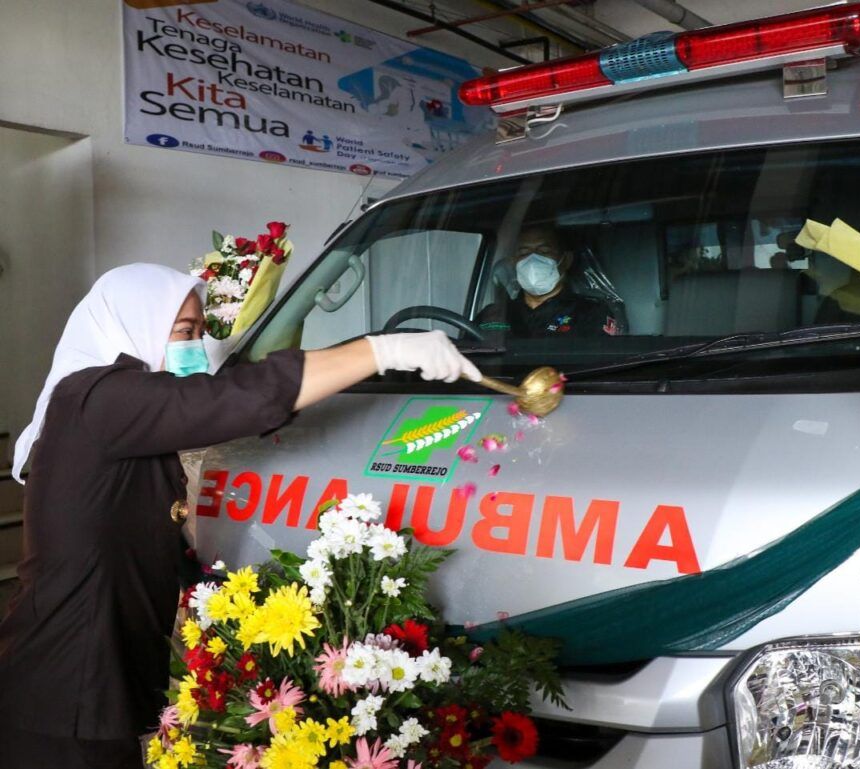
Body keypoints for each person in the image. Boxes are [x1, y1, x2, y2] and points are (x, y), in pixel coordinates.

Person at [0, 263, 480, 768]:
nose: (196, 346)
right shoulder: (99, 398)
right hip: (63, 688)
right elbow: (233, 400)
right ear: (131, 323)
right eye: (184, 332)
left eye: (202, 332)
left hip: (85, 683)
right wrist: (382, 351)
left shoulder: (118, 409)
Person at [478, 225, 621, 337]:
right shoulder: (492, 315)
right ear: (514, 262)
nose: (533, 259)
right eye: (524, 253)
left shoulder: (591, 312)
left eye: (544, 251)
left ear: (566, 260)